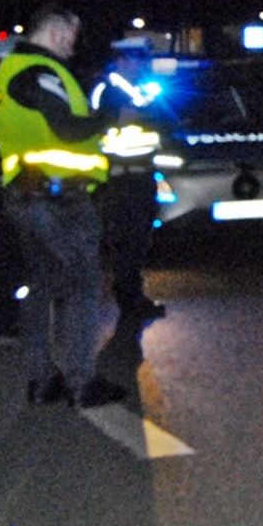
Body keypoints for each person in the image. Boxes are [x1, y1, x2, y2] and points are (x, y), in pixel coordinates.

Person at [0, 2, 126, 408]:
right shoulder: (39, 72)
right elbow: (68, 129)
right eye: (70, 36)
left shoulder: (12, 71)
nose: (73, 45)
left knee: (41, 287)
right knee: (84, 287)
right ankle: (81, 383)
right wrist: (109, 110)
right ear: (55, 33)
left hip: (25, 196)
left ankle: (41, 380)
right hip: (59, 199)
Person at [92, 41, 166, 318]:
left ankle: (135, 295)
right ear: (120, 61)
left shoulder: (142, 91)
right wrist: (136, 117)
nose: (140, 66)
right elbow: (102, 124)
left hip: (143, 174)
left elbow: (161, 124)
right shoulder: (107, 89)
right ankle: (127, 299)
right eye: (135, 60)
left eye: (142, 61)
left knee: (140, 240)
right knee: (125, 240)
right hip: (119, 178)